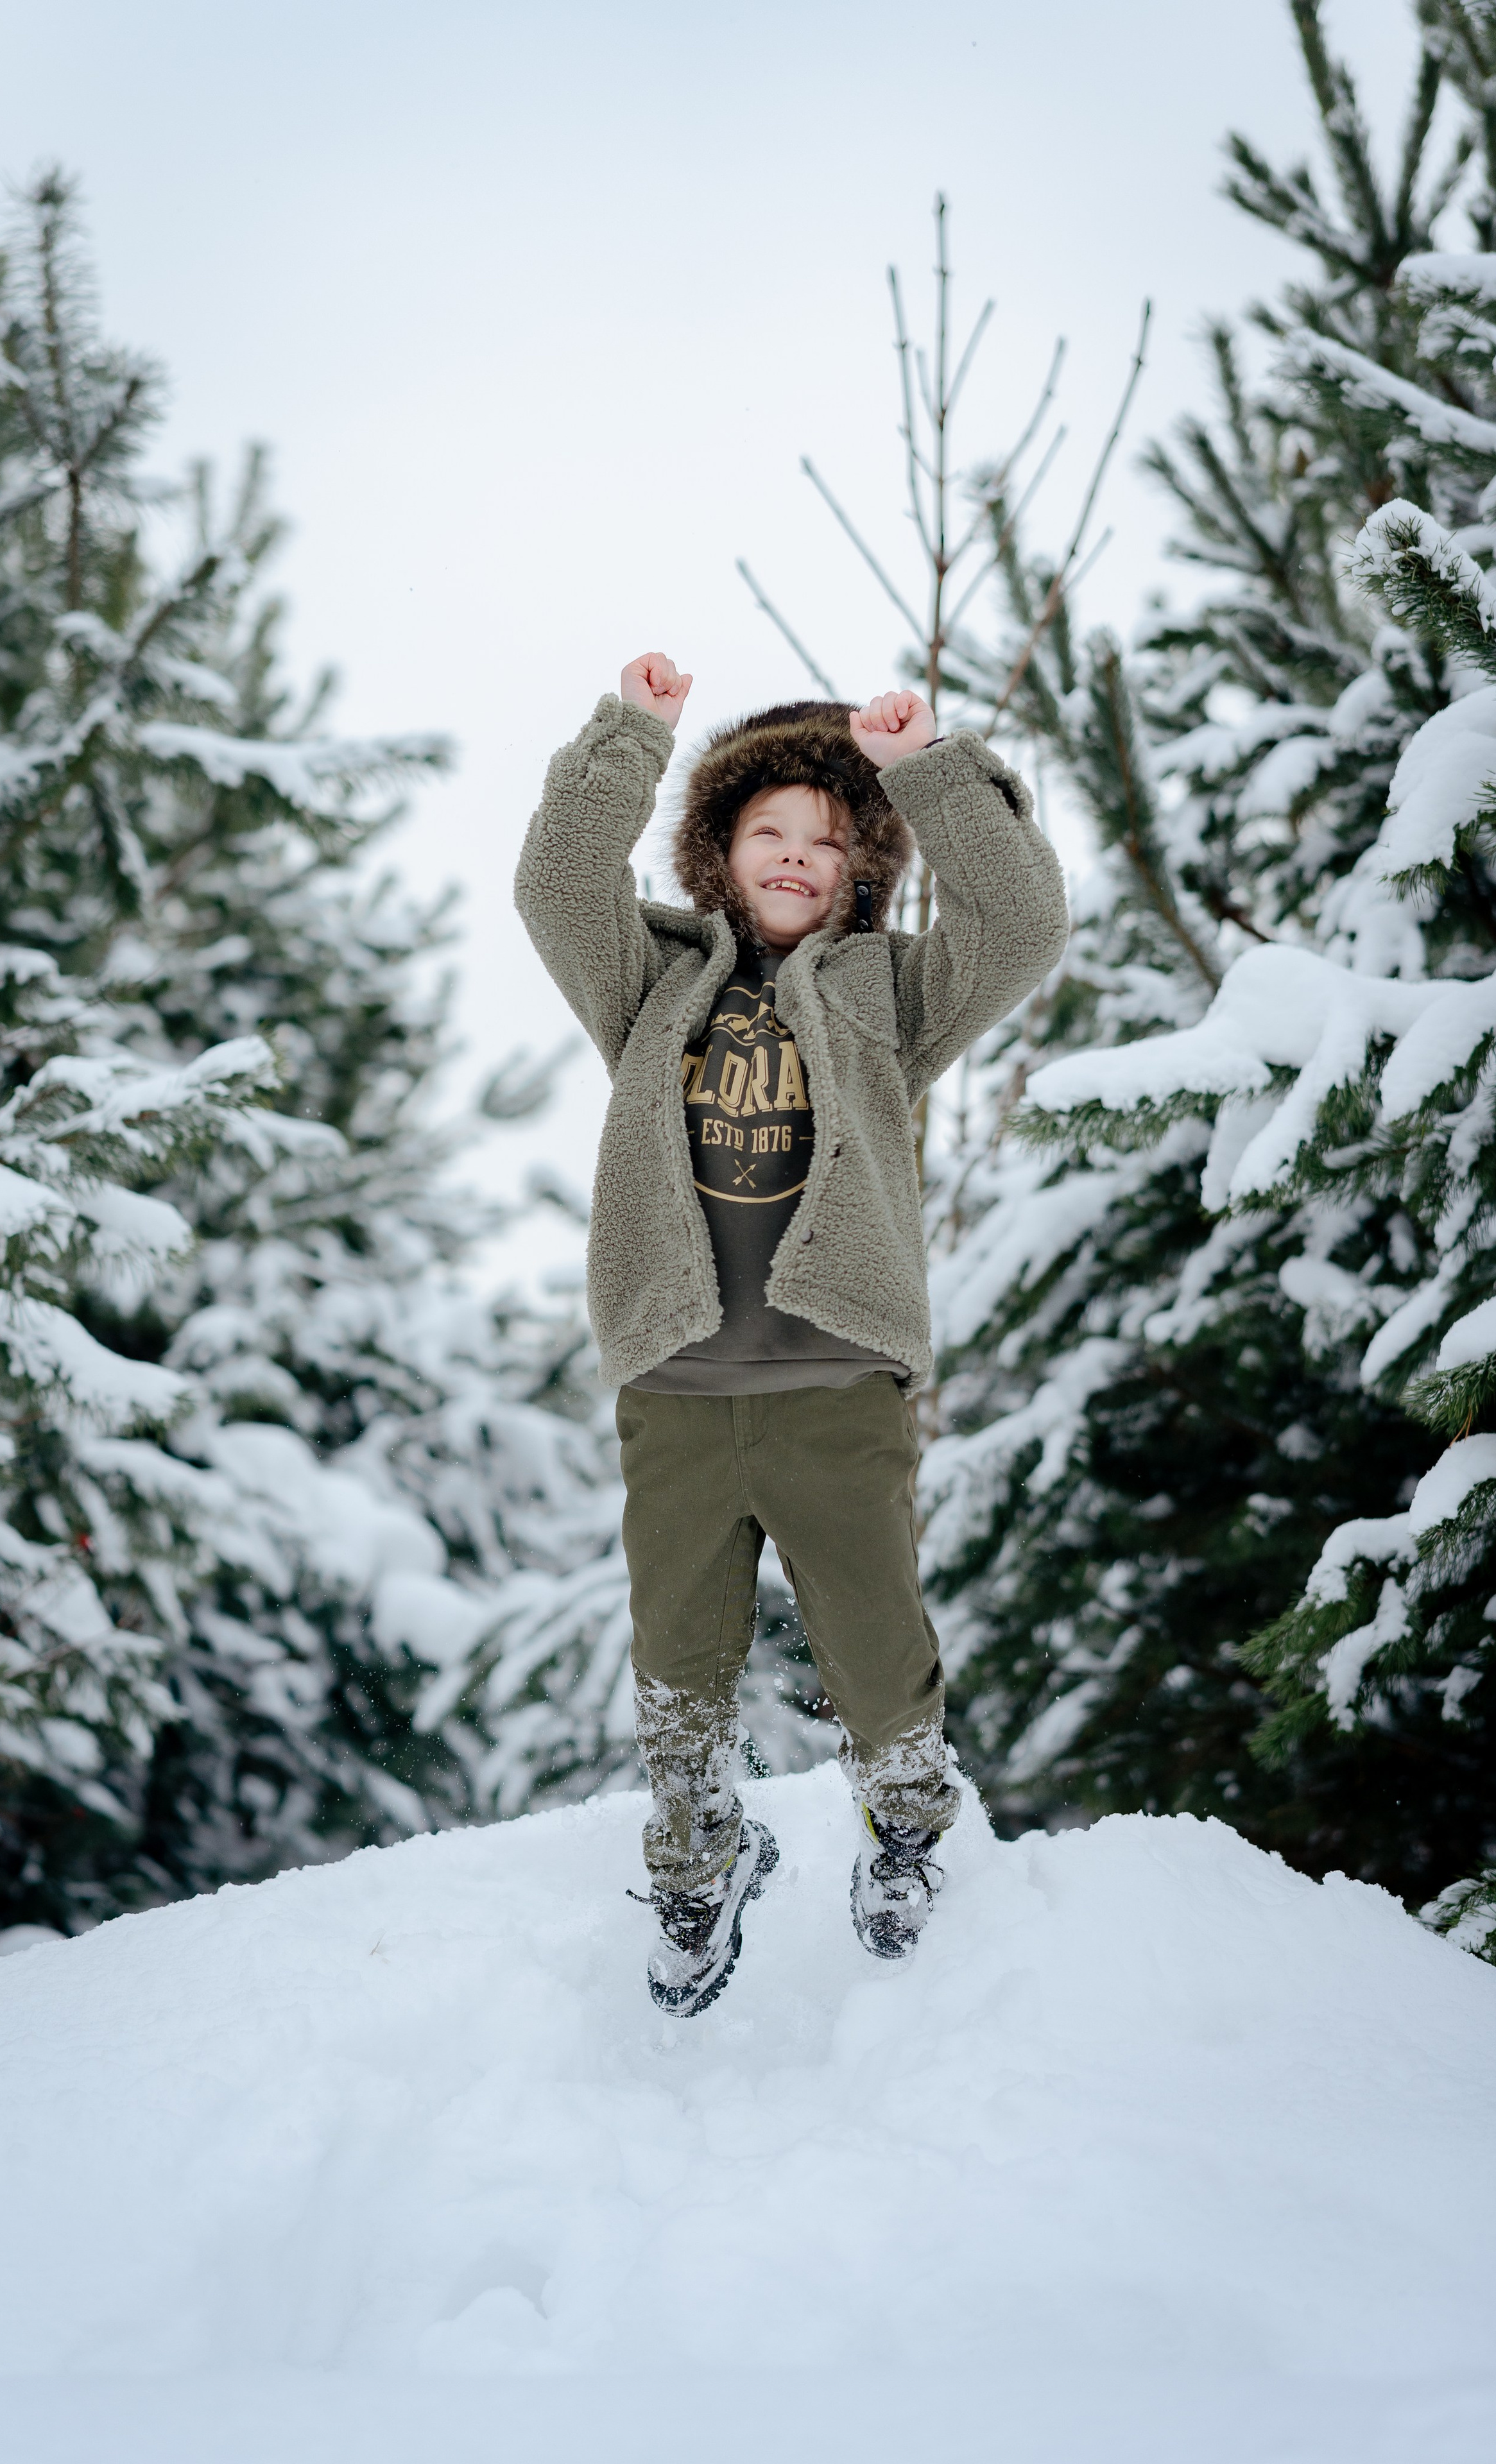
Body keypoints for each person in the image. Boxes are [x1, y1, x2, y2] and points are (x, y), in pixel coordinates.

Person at [515, 654, 1069, 2015]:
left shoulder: (888, 996)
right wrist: (629, 737)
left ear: (857, 867)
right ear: (717, 852)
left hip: (837, 1381)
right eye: (767, 832)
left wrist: (925, 767)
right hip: (680, 1384)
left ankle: (903, 1830)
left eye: (825, 841)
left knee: (876, 1649)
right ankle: (700, 1860)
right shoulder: (647, 983)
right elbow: (553, 884)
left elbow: (1020, 923)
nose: (795, 857)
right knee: (678, 1660)